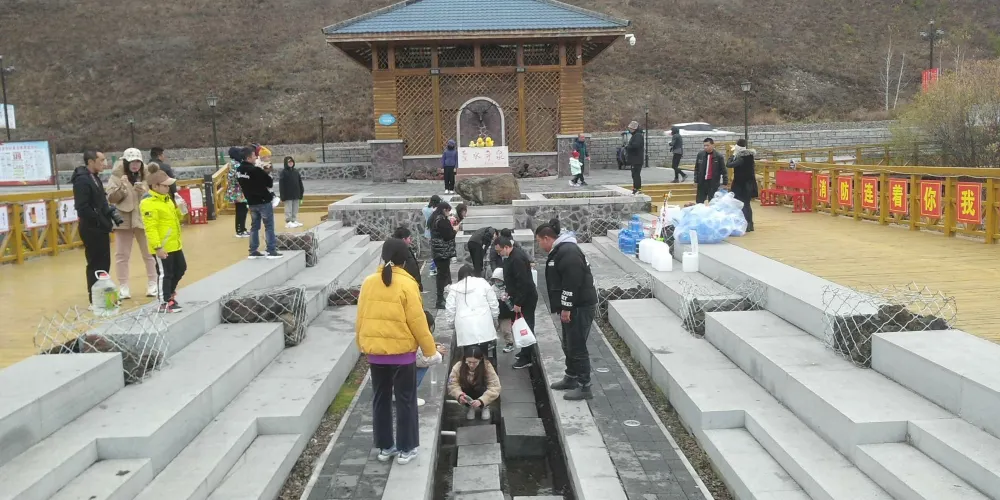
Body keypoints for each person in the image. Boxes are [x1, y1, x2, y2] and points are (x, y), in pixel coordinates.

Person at [356, 238, 441, 465]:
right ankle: (406, 448)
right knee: (405, 400)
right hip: (402, 353)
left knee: (380, 399)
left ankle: (385, 447)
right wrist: (430, 350)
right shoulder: (407, 284)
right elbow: (418, 321)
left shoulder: (368, 282)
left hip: (376, 353)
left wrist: (362, 343)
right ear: (404, 261)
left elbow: (361, 317)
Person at [534, 218, 598, 400]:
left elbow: (572, 283)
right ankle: (571, 376)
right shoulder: (561, 250)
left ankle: (585, 386)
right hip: (573, 305)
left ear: (547, 238)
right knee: (568, 344)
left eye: (539, 241)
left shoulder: (568, 252)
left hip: (580, 306)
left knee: (577, 346)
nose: (539, 245)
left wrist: (567, 308)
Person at [105, 148, 157, 300]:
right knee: (122, 255)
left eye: (137, 162)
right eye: (131, 162)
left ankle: (153, 283)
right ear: (125, 162)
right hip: (123, 218)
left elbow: (157, 195)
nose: (135, 165)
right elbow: (111, 198)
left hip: (143, 217)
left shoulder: (148, 175)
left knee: (149, 252)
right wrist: (122, 189)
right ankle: (123, 286)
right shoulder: (116, 176)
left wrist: (144, 191)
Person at [73, 150, 115, 307]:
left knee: (104, 262)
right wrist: (99, 218)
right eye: (101, 160)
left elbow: (101, 202)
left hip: (101, 226)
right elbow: (82, 207)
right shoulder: (82, 180)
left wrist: (107, 215)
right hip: (91, 228)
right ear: (91, 161)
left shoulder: (94, 177)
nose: (104, 163)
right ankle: (95, 299)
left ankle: (102, 296)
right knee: (95, 263)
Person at [141, 166, 186, 313]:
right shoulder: (148, 203)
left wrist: (180, 208)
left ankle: (170, 293)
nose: (168, 188)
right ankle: (164, 302)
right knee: (165, 273)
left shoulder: (167, 200)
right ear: (155, 186)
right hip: (162, 245)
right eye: (165, 186)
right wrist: (158, 247)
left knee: (180, 268)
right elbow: (150, 228)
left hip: (175, 243)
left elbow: (176, 218)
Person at [495, 236, 537, 370]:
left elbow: (523, 283)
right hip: (518, 296)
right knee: (520, 325)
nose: (499, 254)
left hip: (526, 299)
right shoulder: (510, 257)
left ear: (507, 247)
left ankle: (527, 357)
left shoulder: (517, 258)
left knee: (526, 326)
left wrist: (518, 303)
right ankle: (524, 352)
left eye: (500, 251)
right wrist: (508, 292)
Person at [236, 146, 283, 259]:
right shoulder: (255, 170)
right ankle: (271, 250)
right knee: (269, 226)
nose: (256, 157)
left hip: (251, 202)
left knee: (254, 227)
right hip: (263, 201)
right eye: (254, 155)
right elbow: (269, 183)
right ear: (248, 158)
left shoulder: (239, 170)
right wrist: (266, 171)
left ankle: (253, 250)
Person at [446, 265, 499, 349]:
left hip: (464, 325)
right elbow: (493, 302)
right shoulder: (483, 283)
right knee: (484, 350)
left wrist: (451, 324)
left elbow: (450, 308)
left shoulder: (454, 289)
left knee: (468, 351)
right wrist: (495, 317)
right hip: (484, 322)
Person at [448, 346, 502, 421]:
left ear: (480, 360)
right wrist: (459, 395)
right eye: (469, 362)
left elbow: (495, 386)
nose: (471, 365)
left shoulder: (487, 366)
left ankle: (485, 406)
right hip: (467, 392)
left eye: (475, 362)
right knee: (464, 387)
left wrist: (482, 400)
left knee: (480, 387)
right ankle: (470, 406)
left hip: (481, 390)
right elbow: (452, 384)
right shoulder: (458, 367)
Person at [429, 201, 456, 309]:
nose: (449, 213)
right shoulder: (441, 220)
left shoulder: (434, 218)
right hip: (442, 252)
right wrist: (455, 230)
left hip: (437, 251)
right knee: (442, 276)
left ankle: (443, 297)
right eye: (448, 211)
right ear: (444, 210)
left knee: (443, 274)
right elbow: (448, 236)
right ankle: (440, 300)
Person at [728, 138, 759, 232]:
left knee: (744, 204)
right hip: (748, 183)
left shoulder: (741, 158)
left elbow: (729, 164)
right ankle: (749, 224)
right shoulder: (750, 156)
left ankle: (748, 224)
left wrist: (732, 155)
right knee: (746, 204)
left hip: (742, 184)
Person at [694, 138, 729, 204]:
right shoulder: (700, 155)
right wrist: (696, 181)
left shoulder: (718, 156)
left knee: (713, 202)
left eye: (707, 145)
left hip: (713, 183)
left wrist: (725, 183)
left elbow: (724, 170)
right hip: (702, 182)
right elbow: (696, 168)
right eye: (704, 145)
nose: (705, 147)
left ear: (713, 145)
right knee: (699, 201)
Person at [490, 267, 516, 353]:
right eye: (496, 280)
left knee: (506, 330)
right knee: (491, 329)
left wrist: (507, 299)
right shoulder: (491, 289)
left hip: (505, 314)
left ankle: (509, 344)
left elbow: (512, 302)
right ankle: (491, 343)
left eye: (499, 280)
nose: (497, 281)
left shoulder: (508, 289)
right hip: (495, 313)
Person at [226, 147, 249, 238]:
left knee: (242, 209)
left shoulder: (233, 163)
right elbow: (239, 177)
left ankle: (242, 229)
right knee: (241, 210)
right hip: (238, 190)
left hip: (236, 190)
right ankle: (240, 230)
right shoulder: (236, 164)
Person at [392, 226, 423, 292]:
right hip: (408, 288)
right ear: (404, 240)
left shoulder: (405, 250)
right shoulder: (400, 254)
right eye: (409, 238)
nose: (410, 240)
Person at [279, 156, 304, 228]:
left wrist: (301, 192)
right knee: (288, 208)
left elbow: (299, 182)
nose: (290, 163)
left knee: (295, 208)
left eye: (291, 162)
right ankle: (288, 221)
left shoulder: (295, 171)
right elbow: (281, 185)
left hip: (296, 193)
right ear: (286, 163)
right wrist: (282, 196)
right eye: (289, 162)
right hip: (288, 194)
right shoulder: (283, 172)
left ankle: (294, 220)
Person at [625, 120, 645, 195]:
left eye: (630, 128)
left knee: (636, 174)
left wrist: (628, 147)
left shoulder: (638, 136)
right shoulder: (636, 135)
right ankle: (636, 188)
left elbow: (636, 146)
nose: (629, 130)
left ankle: (637, 189)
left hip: (636, 159)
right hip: (636, 159)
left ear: (634, 129)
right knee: (634, 174)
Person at [422, 195, 441, 277]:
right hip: (435, 233)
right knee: (437, 252)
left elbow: (425, 208)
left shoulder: (425, 209)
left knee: (434, 251)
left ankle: (434, 268)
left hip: (428, 233)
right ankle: (432, 268)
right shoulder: (435, 211)